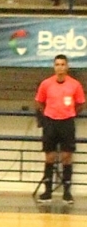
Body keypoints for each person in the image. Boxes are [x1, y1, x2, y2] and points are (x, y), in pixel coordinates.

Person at [35, 53, 85, 204]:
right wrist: (46, 115)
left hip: (67, 123)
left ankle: (67, 193)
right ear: (54, 67)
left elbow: (81, 103)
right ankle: (47, 192)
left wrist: (71, 113)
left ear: (67, 67)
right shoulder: (46, 84)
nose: (60, 67)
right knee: (49, 156)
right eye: (57, 64)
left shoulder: (75, 84)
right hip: (50, 122)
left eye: (63, 64)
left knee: (66, 157)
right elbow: (39, 101)